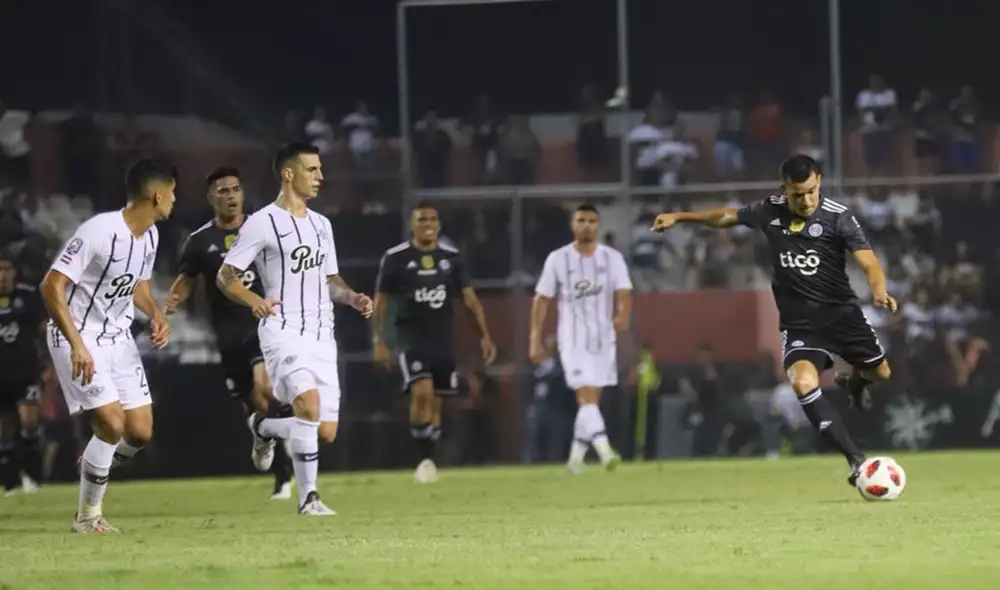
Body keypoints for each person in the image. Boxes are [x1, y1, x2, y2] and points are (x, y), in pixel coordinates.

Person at [651, 153, 896, 485]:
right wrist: (681, 217)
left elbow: (869, 263)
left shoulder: (840, 218)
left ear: (819, 181)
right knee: (802, 384)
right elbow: (726, 217)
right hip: (801, 326)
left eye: (811, 191)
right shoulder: (770, 210)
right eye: (798, 194)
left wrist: (879, 291)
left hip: (843, 316)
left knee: (881, 372)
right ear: (784, 189)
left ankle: (855, 383)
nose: (806, 200)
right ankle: (856, 462)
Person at [217, 142, 373, 516]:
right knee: (308, 404)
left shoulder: (322, 225)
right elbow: (226, 276)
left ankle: (265, 427)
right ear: (289, 174)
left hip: (322, 334)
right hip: (283, 330)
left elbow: (330, 280)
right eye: (312, 169)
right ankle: (309, 499)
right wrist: (253, 299)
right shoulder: (262, 222)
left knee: (325, 431)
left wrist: (351, 298)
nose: (320, 176)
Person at [39, 158, 175, 532]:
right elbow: (51, 285)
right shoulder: (99, 230)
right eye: (173, 193)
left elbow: (138, 284)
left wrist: (156, 315)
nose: (175, 201)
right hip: (79, 338)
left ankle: (97, 458)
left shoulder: (150, 235)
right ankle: (88, 518)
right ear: (158, 195)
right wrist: (77, 345)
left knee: (140, 432)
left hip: (119, 339)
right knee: (112, 424)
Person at [164, 166, 292, 500]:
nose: (231, 196)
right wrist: (172, 301)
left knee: (267, 387)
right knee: (253, 406)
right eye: (223, 191)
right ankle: (275, 460)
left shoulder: (263, 229)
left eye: (235, 189)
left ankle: (287, 468)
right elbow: (187, 280)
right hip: (227, 332)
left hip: (265, 321)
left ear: (243, 194)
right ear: (210, 197)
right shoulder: (199, 241)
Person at [371, 202, 496, 484]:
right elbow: (381, 303)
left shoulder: (451, 258)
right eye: (422, 219)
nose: (428, 223)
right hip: (410, 339)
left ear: (438, 225)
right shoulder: (395, 259)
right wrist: (379, 339)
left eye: (432, 219)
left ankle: (428, 459)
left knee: (436, 404)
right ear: (412, 225)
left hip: (442, 340)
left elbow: (470, 300)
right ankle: (423, 458)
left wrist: (485, 335)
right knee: (422, 393)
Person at [529, 204, 632, 474]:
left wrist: (622, 316)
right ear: (572, 225)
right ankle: (606, 452)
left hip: (603, 339)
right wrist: (535, 337)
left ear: (598, 225)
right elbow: (541, 300)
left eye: (591, 221)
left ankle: (575, 461)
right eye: (581, 220)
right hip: (572, 340)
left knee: (591, 401)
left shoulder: (612, 258)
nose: (586, 225)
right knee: (586, 395)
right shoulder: (558, 259)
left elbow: (624, 291)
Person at [0, 252, 46, 495]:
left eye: (6, 269)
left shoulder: (27, 296)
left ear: (14, 272)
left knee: (29, 424)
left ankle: (33, 478)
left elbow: (43, 330)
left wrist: (48, 364)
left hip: (26, 372)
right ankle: (10, 484)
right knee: (4, 431)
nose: (2, 276)